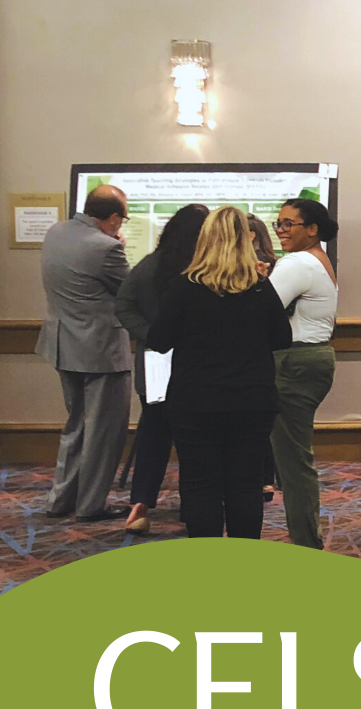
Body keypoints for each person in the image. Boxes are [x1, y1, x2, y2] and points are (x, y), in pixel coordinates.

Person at [147, 206, 292, 539]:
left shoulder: (184, 287)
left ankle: (209, 562)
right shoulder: (259, 287)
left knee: (200, 486)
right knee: (246, 485)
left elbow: (158, 340)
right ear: (247, 241)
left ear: (204, 240)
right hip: (252, 399)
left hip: (196, 400)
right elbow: (282, 338)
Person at [35, 184, 134, 523]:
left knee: (76, 425)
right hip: (101, 351)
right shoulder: (107, 247)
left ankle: (61, 499)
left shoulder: (56, 232)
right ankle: (91, 504)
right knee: (103, 432)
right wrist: (119, 246)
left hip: (64, 346)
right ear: (113, 218)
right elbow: (130, 292)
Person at [115, 203, 209, 534]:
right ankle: (195, 507)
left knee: (154, 431)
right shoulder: (205, 269)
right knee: (196, 436)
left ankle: (140, 505)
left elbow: (123, 306)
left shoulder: (150, 265)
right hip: (198, 362)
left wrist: (152, 335)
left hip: (155, 360)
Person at [269, 199, 339, 549]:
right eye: (278, 223)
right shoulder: (317, 259)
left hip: (294, 362)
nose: (280, 231)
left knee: (294, 461)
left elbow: (262, 310)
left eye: (288, 224)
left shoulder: (297, 262)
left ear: (312, 229)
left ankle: (307, 543)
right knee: (292, 458)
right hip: (311, 359)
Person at [247, 213, 281, 502]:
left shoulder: (258, 268)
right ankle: (266, 480)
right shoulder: (276, 263)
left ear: (250, 236)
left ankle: (262, 479)